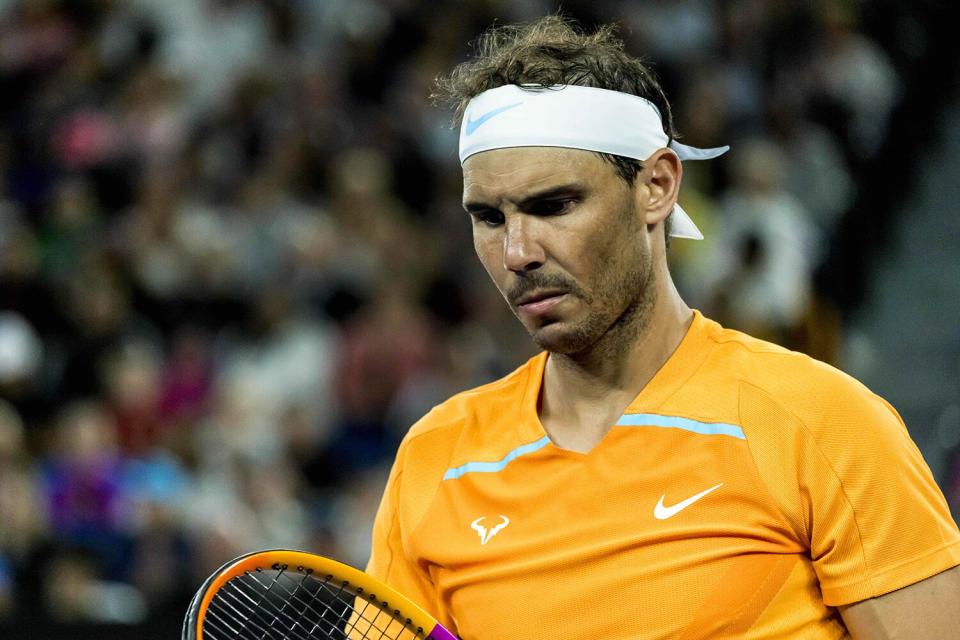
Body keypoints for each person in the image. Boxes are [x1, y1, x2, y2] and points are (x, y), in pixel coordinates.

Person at [364, 16, 960, 639]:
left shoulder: (823, 426)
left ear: (657, 186)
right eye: (488, 217)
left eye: (553, 205)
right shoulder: (435, 460)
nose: (517, 252)